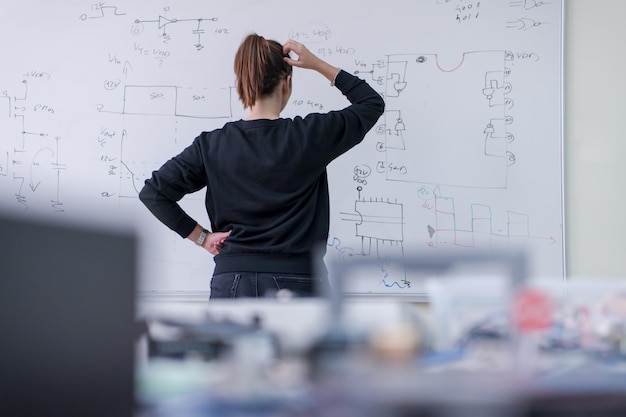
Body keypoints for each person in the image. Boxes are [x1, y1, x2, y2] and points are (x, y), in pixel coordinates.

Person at [139, 33, 385, 299]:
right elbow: (371, 103)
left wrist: (202, 238)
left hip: (231, 280)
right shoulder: (310, 135)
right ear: (287, 83)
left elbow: (154, 192)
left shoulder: (210, 145)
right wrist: (316, 64)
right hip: (299, 280)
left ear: (243, 85)